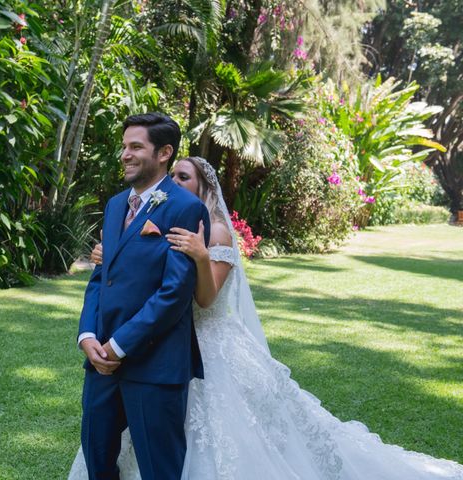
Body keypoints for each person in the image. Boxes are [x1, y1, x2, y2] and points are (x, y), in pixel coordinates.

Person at [69, 156, 463, 479]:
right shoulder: (152, 218)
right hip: (155, 340)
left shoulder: (216, 231)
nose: (174, 182)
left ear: (204, 187)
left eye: (183, 176)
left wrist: (201, 256)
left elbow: (204, 301)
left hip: (206, 342)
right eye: (172, 176)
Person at [76, 113, 211, 480]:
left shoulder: (186, 208)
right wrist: (88, 337)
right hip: (100, 362)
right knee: (97, 461)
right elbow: (100, 279)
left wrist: (119, 347)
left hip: (155, 365)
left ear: (164, 152)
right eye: (124, 146)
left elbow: (174, 294)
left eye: (136, 146)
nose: (125, 154)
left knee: (158, 469)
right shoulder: (115, 205)